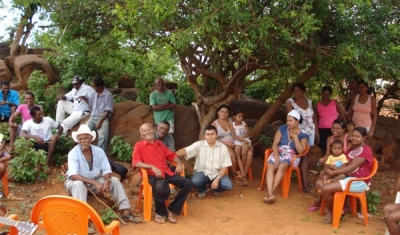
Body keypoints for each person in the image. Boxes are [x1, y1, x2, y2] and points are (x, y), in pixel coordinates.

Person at [64, 124, 142, 224]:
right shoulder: (73, 153)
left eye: (85, 138)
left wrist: (107, 181)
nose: (82, 141)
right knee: (78, 184)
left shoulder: (99, 151)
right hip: (75, 183)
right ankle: (83, 220)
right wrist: (95, 183)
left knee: (115, 180)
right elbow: (73, 175)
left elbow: (106, 169)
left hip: (94, 182)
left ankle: (124, 211)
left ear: (91, 139)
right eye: (80, 139)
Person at [132, 123, 193, 224]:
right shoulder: (139, 146)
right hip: (152, 174)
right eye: (144, 131)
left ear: (153, 130)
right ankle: (159, 213)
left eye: (149, 129)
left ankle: (171, 210)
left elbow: (172, 155)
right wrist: (152, 167)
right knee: (161, 185)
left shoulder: (159, 144)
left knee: (188, 183)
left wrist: (179, 163)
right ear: (142, 135)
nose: (147, 132)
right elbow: (136, 162)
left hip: (166, 171)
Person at [320, 127, 373, 224]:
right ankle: (336, 210)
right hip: (346, 178)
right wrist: (328, 167)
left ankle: (332, 212)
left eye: (357, 136)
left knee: (326, 189)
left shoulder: (366, 150)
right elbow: (341, 162)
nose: (354, 138)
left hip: (358, 181)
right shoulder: (352, 148)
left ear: (364, 138)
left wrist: (332, 173)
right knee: (323, 184)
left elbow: (350, 168)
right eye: (353, 135)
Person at [176, 125, 233, 198]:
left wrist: (217, 179)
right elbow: (185, 150)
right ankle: (202, 190)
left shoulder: (223, 147)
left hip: (217, 173)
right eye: (208, 134)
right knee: (195, 180)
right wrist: (172, 155)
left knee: (228, 185)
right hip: (202, 173)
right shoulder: (199, 144)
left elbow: (225, 166)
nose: (210, 136)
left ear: (216, 135)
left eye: (212, 134)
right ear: (204, 136)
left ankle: (216, 189)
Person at [264, 110, 308, 204]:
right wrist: (276, 157)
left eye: (291, 121)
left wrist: (296, 138)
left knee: (282, 166)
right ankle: (270, 193)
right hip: (278, 152)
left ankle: (271, 193)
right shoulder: (282, 129)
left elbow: (301, 151)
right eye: (287, 120)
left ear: (297, 121)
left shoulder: (303, 134)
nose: (288, 123)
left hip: (292, 156)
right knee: (271, 166)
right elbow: (275, 144)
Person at [286, 82, 318, 192]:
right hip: (300, 132)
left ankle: (303, 179)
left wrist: (316, 131)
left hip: (311, 131)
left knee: (306, 155)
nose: (296, 93)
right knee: (302, 155)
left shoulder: (309, 101)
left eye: (298, 90)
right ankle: (304, 183)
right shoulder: (291, 102)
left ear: (303, 91)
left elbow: (313, 118)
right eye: (294, 91)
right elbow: (291, 119)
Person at [212, 104, 253, 186]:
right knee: (231, 155)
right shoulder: (215, 124)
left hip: (238, 142)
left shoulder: (233, 121)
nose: (224, 114)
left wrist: (247, 142)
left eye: (226, 112)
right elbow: (213, 138)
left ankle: (243, 174)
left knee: (249, 153)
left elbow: (244, 131)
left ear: (229, 114)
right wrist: (226, 143)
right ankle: (235, 175)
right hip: (224, 144)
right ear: (218, 113)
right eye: (222, 112)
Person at [20, 106, 63, 172]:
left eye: (41, 114)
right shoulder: (28, 123)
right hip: (35, 145)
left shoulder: (48, 120)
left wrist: (57, 134)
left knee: (53, 138)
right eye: (38, 115)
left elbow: (60, 127)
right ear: (32, 116)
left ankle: (47, 163)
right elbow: (21, 134)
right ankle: (35, 164)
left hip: (48, 144)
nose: (41, 116)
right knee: (27, 141)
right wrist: (35, 137)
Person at [315, 86, 346, 154]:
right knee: (323, 146)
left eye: (328, 94)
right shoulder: (318, 104)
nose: (326, 95)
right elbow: (316, 119)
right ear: (322, 94)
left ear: (330, 95)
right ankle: (325, 160)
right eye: (324, 93)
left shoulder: (334, 102)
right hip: (322, 129)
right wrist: (316, 131)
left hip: (334, 129)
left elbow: (342, 114)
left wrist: (336, 123)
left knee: (334, 145)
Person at [86, 77, 113, 152]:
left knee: (103, 136)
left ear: (100, 86)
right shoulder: (93, 93)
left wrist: (100, 122)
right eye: (93, 86)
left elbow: (107, 110)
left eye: (95, 86)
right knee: (84, 132)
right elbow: (91, 105)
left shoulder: (108, 95)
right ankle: (84, 151)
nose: (94, 88)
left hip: (102, 117)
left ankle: (101, 154)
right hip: (93, 116)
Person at [230, 108, 251, 186]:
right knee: (237, 154)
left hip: (245, 139)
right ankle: (242, 172)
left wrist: (244, 137)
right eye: (239, 116)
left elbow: (248, 132)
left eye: (242, 117)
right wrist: (240, 139)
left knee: (244, 152)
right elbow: (233, 135)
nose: (241, 118)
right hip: (237, 140)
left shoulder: (244, 123)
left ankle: (242, 174)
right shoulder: (232, 125)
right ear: (234, 116)